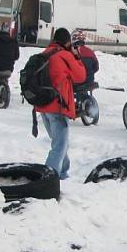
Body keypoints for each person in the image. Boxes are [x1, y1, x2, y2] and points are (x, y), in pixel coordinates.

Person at [34, 28, 86, 179]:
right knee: (60, 145)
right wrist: (76, 57)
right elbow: (80, 76)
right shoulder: (64, 56)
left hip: (43, 105)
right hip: (57, 105)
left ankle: (63, 171)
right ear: (67, 42)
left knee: (60, 142)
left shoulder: (45, 53)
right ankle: (50, 178)